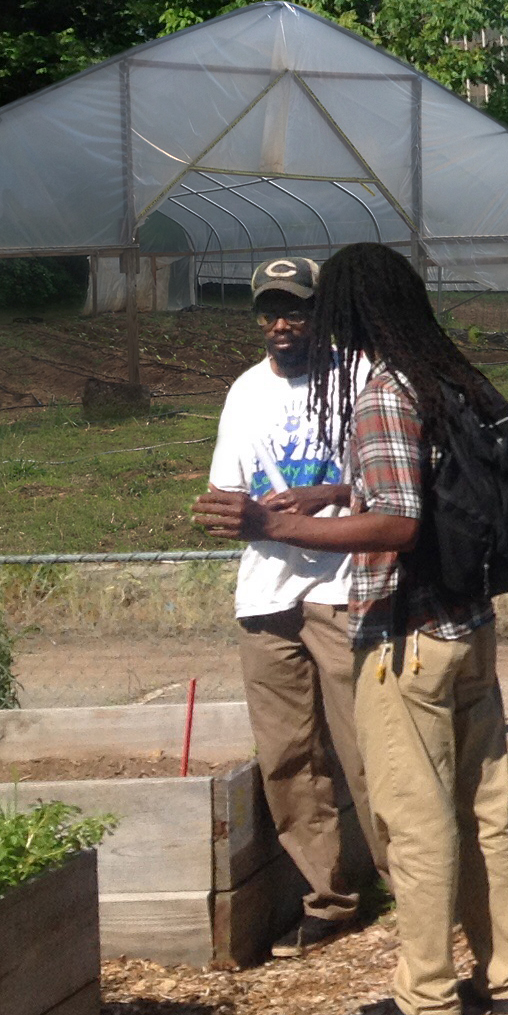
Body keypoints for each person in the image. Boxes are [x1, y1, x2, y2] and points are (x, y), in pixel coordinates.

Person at [194, 242, 508, 1015]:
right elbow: (424, 482)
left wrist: (275, 521)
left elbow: (402, 520)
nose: (308, 321)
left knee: (416, 817)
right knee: (486, 810)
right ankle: (506, 974)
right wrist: (338, 489)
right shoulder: (453, 377)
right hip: (469, 624)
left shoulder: (381, 388)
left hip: (408, 634)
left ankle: (427, 997)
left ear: (348, 310)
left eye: (325, 306)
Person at [204, 257, 378, 959]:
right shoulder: (244, 392)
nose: (281, 324)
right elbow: (227, 489)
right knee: (287, 755)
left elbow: (391, 477)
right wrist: (225, 515)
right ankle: (329, 899)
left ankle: (411, 881)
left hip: (341, 585)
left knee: (368, 744)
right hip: (267, 593)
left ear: (322, 315)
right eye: (270, 312)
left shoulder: (361, 376)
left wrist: (329, 493)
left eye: (296, 311)